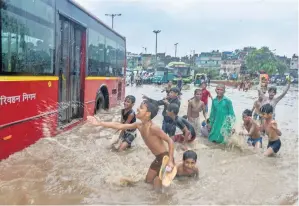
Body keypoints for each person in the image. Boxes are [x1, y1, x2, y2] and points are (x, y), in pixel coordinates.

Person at [87, 100, 175, 190]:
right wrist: (99, 123)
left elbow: (170, 141)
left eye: (141, 108)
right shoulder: (139, 125)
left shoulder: (153, 128)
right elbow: (120, 125)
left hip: (165, 159)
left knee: (157, 189)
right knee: (148, 182)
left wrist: (170, 161)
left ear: (148, 114)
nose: (137, 108)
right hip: (158, 158)